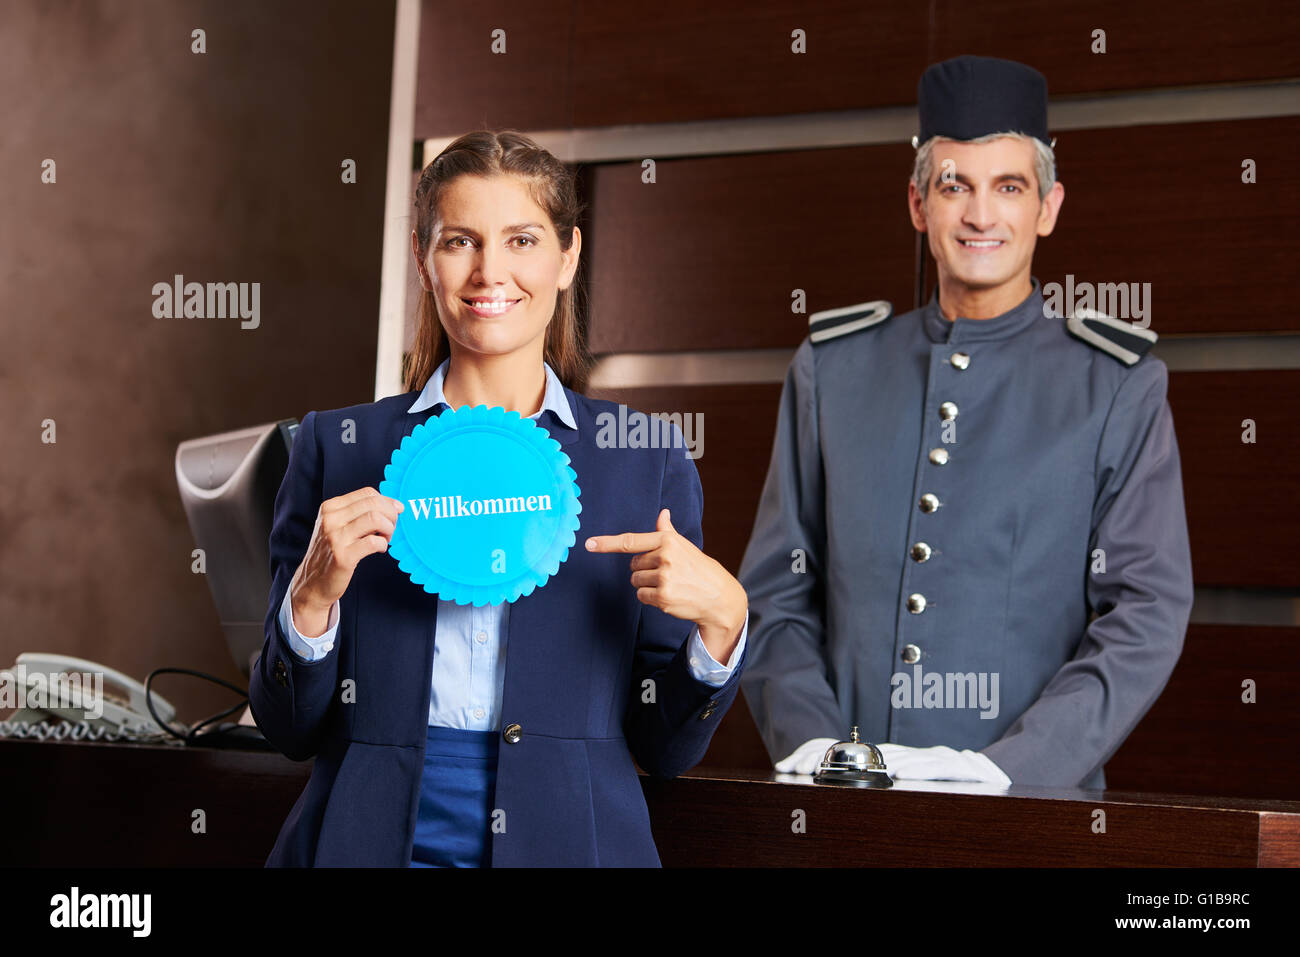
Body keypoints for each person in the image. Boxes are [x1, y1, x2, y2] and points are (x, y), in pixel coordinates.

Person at [249, 130, 748, 866]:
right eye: (460, 241)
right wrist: (311, 601)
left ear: (567, 256)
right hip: (368, 839)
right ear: (424, 258)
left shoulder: (644, 460)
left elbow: (666, 749)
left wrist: (724, 623)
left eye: (521, 239)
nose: (491, 271)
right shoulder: (339, 446)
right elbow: (288, 729)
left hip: (569, 843)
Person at [738, 55, 1193, 790]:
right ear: (919, 205)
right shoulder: (833, 369)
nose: (981, 215)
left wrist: (1010, 770)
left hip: (1029, 820)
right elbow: (775, 594)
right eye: (955, 185)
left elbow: (1145, 613)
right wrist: (826, 756)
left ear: (1047, 207)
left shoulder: (1116, 385)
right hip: (847, 819)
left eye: (1009, 187)